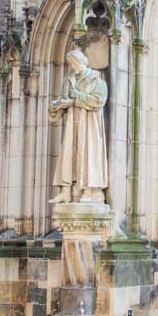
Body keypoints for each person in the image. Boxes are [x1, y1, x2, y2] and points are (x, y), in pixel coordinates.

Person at [49, 48, 108, 204]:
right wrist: (56, 107)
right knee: (68, 155)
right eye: (71, 64)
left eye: (74, 63)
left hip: (89, 124)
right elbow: (65, 99)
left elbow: (98, 100)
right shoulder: (69, 80)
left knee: (89, 155)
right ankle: (66, 192)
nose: (73, 67)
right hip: (72, 124)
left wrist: (77, 98)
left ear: (82, 62)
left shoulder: (97, 80)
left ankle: (91, 190)